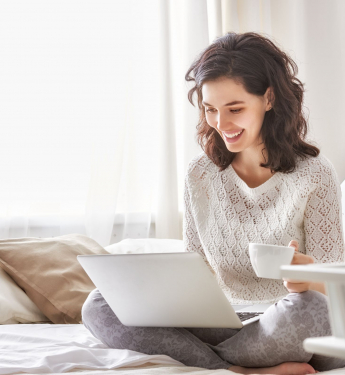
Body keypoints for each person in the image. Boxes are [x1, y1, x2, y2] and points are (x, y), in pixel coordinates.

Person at [81, 32, 345, 374]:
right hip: (228, 322)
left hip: (295, 320)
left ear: (268, 98)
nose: (221, 124)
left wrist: (307, 277)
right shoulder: (200, 175)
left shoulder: (314, 173)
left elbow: (335, 290)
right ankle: (239, 370)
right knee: (99, 304)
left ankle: (211, 361)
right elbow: (198, 272)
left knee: (314, 312)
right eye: (210, 110)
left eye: (235, 109)